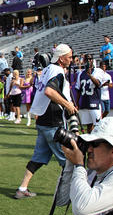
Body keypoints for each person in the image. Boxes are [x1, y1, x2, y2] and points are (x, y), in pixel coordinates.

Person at [13, 44, 76, 199]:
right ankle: (70, 194)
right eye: (69, 57)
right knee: (69, 160)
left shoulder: (47, 69)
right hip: (53, 123)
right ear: (61, 59)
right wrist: (67, 104)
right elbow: (49, 91)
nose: (71, 60)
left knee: (38, 158)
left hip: (43, 121)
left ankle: (22, 188)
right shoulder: (57, 71)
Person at [75, 55, 103, 133]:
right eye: (87, 59)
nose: (89, 61)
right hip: (85, 103)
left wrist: (90, 75)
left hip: (94, 102)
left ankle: (98, 143)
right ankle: (89, 143)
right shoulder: (80, 74)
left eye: (90, 59)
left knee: (98, 126)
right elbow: (78, 90)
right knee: (88, 126)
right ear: (84, 61)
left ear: (92, 60)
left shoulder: (98, 71)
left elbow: (98, 84)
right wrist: (77, 103)